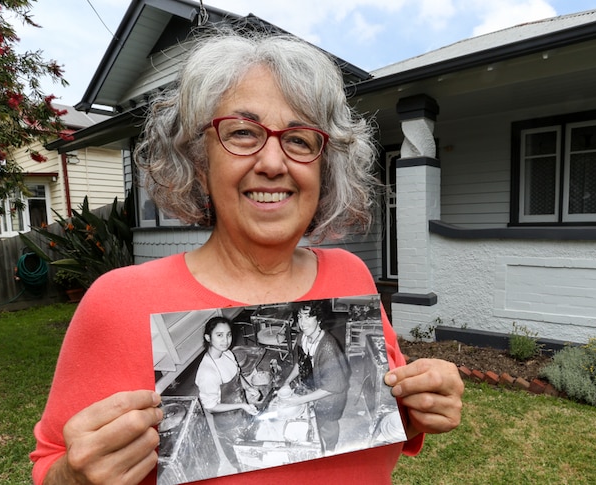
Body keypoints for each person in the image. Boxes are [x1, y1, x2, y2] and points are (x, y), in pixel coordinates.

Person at [30, 29, 463, 485]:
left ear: (323, 165)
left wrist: (419, 407)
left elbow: (376, 416)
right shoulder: (118, 302)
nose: (273, 163)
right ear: (199, 160)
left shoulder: (350, 272)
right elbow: (53, 464)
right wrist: (74, 478)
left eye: (299, 139)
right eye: (242, 133)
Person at [278, 301, 350, 453]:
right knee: (313, 418)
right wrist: (287, 381)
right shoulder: (302, 337)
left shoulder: (327, 348)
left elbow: (334, 386)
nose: (302, 323)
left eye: (308, 317)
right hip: (313, 386)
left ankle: (331, 449)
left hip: (330, 396)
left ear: (319, 319)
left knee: (328, 425)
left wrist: (299, 400)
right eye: (299, 317)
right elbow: (300, 362)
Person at [195, 317, 258, 473]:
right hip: (228, 424)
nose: (226, 340)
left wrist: (249, 388)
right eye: (219, 335)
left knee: (253, 451)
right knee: (240, 459)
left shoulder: (228, 354)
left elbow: (238, 375)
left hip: (242, 411)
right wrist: (242, 405)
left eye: (228, 335)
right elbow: (210, 407)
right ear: (208, 337)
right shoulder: (207, 372)